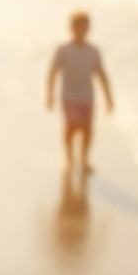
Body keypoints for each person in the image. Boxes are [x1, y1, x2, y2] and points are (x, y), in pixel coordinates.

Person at [46, 11, 114, 172]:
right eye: (77, 27)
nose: (81, 30)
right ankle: (69, 157)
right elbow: (53, 73)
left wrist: (109, 97)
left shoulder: (93, 51)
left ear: (88, 28)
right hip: (68, 96)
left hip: (87, 96)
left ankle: (84, 160)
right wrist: (49, 95)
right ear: (71, 28)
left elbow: (101, 75)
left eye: (84, 27)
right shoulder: (63, 50)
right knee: (70, 127)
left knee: (87, 129)